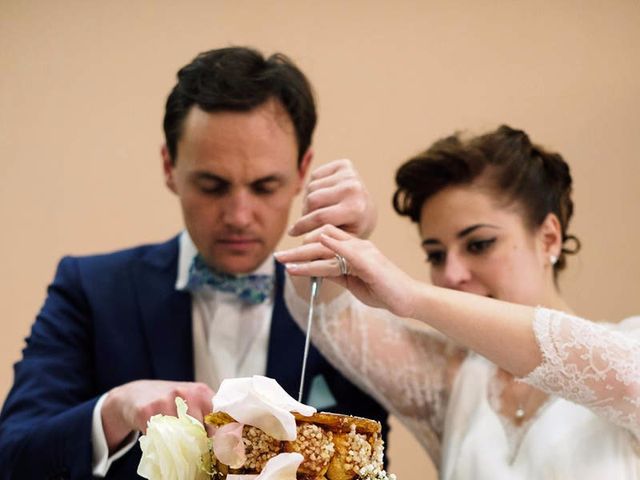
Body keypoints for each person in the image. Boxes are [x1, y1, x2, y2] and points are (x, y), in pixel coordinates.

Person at [0, 47, 388, 479]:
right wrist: (113, 410)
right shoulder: (91, 289)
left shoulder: (337, 300)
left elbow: (371, 459)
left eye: (265, 186)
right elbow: (13, 455)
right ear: (170, 167)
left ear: (302, 171)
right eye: (211, 185)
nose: (239, 216)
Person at [276, 125, 640, 479]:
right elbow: (326, 316)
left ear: (548, 238)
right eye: (435, 255)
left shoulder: (629, 348)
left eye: (479, 244)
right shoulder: (453, 379)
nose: (451, 275)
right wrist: (345, 235)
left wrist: (413, 296)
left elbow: (623, 381)